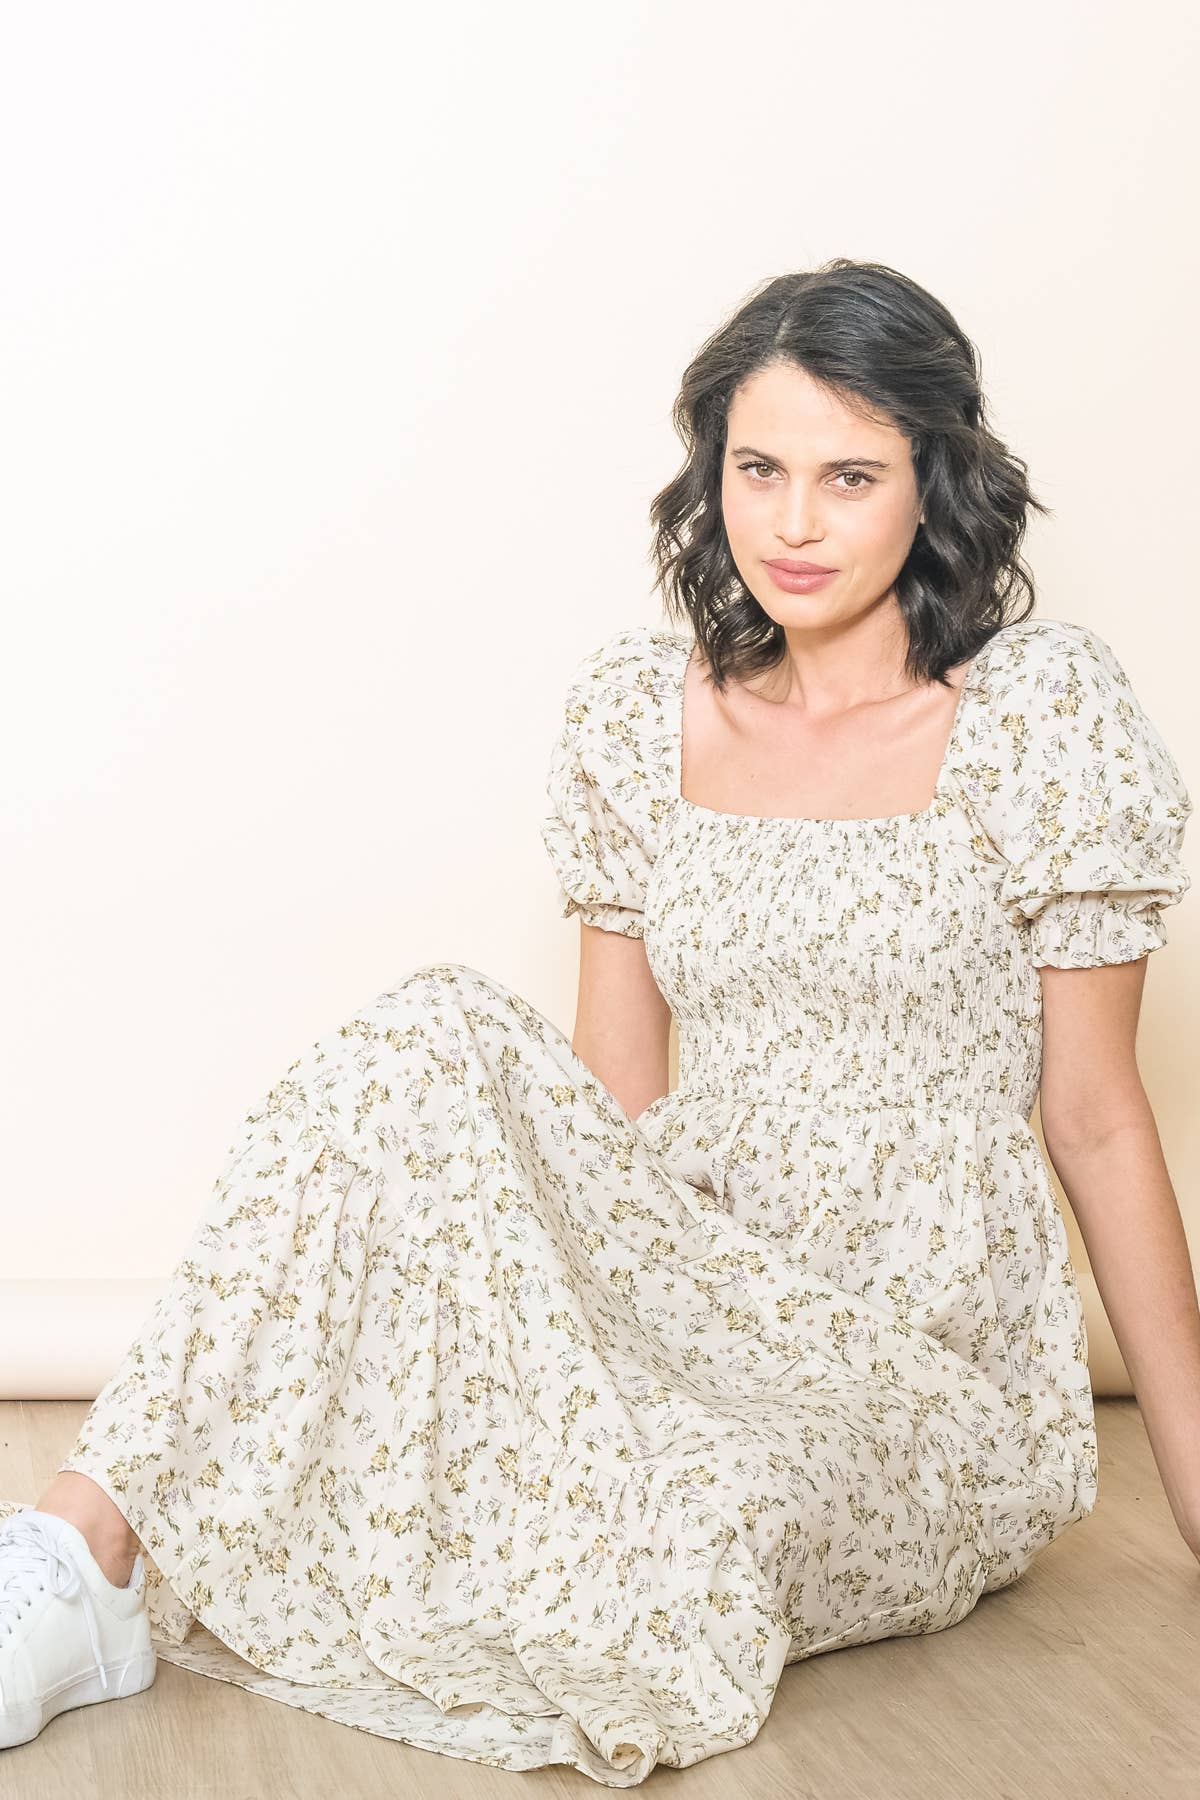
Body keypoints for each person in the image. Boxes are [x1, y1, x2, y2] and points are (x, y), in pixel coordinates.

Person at [2, 259, 1197, 1784]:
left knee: (688, 1536)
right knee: (428, 1035)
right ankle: (79, 1553)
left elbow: (1094, 1116)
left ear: (935, 480)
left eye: (850, 476)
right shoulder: (640, 718)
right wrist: (556, 1334)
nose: (794, 522)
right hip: (691, 1282)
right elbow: (610, 1109)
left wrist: (1191, 1482)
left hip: (918, 1366)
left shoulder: (1042, 719)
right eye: (757, 471)